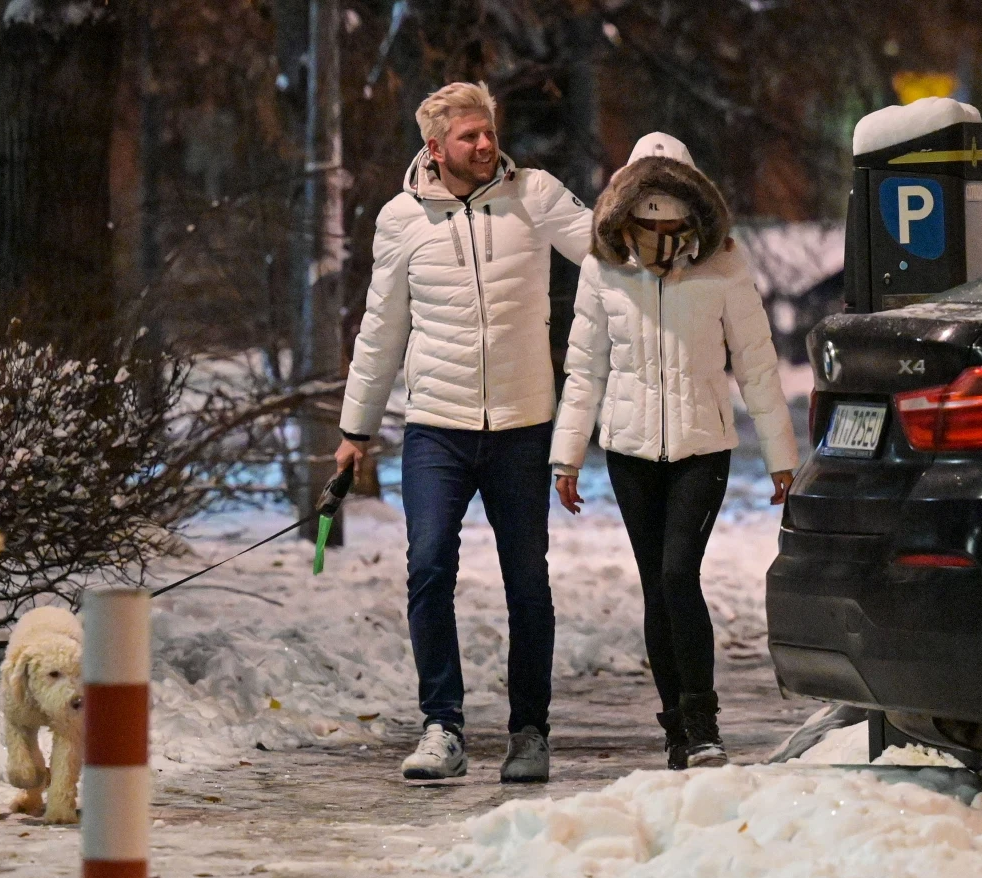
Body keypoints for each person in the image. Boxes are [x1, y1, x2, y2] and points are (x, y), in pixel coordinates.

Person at [335, 82, 593, 783]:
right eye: (469, 137)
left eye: (488, 132)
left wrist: (673, 233)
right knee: (427, 567)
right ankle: (442, 726)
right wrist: (355, 428)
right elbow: (381, 329)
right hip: (437, 430)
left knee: (527, 581)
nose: (485, 145)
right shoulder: (401, 219)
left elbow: (607, 246)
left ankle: (530, 731)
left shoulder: (534, 195)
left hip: (521, 425)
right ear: (435, 147)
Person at [550, 132, 798, 770]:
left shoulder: (723, 265)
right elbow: (586, 369)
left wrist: (780, 456)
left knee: (676, 575)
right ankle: (676, 730)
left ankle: (703, 723)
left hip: (702, 447)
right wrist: (567, 453)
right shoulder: (603, 266)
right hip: (630, 452)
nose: (658, 218)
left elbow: (757, 366)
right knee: (656, 589)